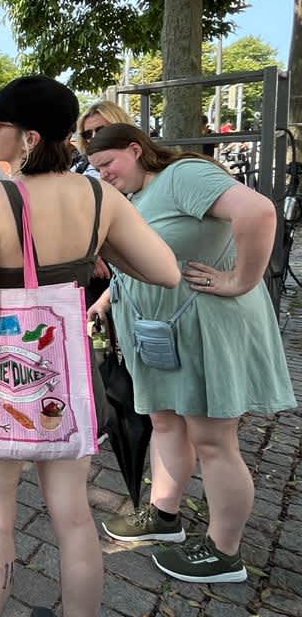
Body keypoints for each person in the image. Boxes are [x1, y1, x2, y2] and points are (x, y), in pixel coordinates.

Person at [0, 76, 180, 617]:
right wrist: (90, 254)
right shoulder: (98, 194)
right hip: (67, 377)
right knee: (74, 519)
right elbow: (165, 270)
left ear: (27, 136)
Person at [87, 123, 296, 584]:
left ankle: (225, 551)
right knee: (164, 423)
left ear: (136, 150)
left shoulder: (183, 175)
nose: (104, 175)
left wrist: (241, 279)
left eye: (108, 164)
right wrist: (105, 301)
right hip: (160, 334)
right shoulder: (135, 195)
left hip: (205, 329)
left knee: (213, 441)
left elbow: (259, 212)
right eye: (97, 169)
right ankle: (165, 516)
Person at [72, 100, 135, 176]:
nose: (94, 137)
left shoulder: (144, 165)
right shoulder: (78, 169)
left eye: (101, 130)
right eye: (87, 134)